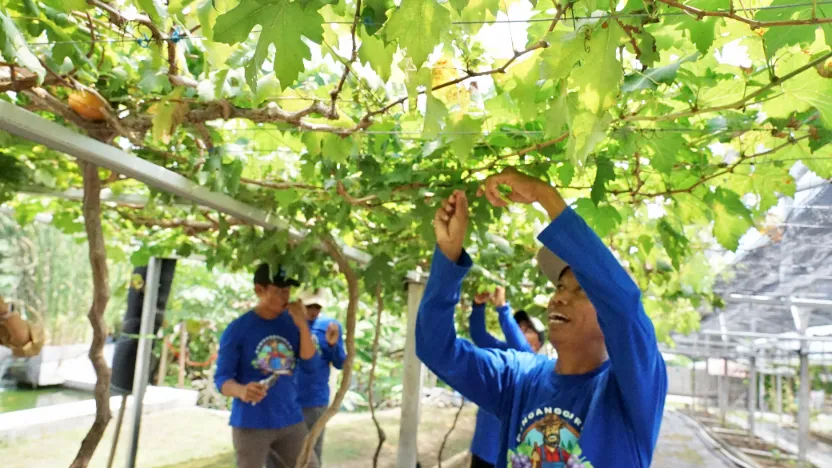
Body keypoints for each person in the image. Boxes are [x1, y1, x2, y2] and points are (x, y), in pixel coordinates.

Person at [416, 167, 667, 468]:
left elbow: (624, 308)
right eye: (560, 287)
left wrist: (545, 196)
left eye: (581, 290)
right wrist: (448, 255)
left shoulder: (633, 388)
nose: (559, 297)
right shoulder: (518, 377)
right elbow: (436, 350)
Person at [214, 263, 320, 468]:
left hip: (290, 419)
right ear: (259, 290)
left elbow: (311, 365)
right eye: (278, 291)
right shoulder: (238, 329)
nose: (285, 296)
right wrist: (242, 391)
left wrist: (302, 324)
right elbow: (222, 379)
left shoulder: (293, 323)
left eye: (287, 290)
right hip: (251, 423)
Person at [468, 286, 532, 468]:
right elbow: (478, 335)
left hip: (509, 457)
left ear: (539, 339)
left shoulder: (535, 365)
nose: (520, 331)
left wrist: (503, 309)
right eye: (518, 326)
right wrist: (478, 306)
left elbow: (523, 349)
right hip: (483, 448)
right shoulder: (502, 352)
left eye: (527, 329)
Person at [296, 288, 346, 464]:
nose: (313, 311)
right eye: (309, 306)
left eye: (317, 307)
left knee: (313, 453)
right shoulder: (289, 325)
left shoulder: (330, 326)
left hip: (315, 400)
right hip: (289, 400)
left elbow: (340, 363)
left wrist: (332, 345)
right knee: (287, 453)